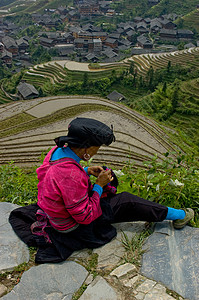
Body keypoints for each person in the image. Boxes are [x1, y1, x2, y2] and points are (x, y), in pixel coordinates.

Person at [9, 117, 194, 263]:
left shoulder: (56, 152)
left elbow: (56, 178)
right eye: (97, 147)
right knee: (127, 201)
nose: (97, 151)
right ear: (87, 149)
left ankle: (169, 213)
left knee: (110, 180)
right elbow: (84, 216)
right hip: (72, 226)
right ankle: (179, 215)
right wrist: (99, 186)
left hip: (56, 209)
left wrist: (86, 170)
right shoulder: (70, 175)